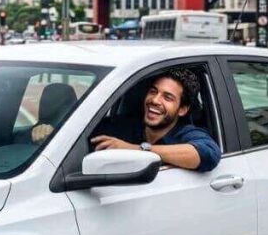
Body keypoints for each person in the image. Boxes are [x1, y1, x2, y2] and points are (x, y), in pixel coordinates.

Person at [88, 68, 222, 172]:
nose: (155, 100)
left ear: (182, 109)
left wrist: (133, 149)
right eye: (153, 91)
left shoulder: (186, 134)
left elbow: (208, 153)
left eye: (167, 97)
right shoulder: (120, 126)